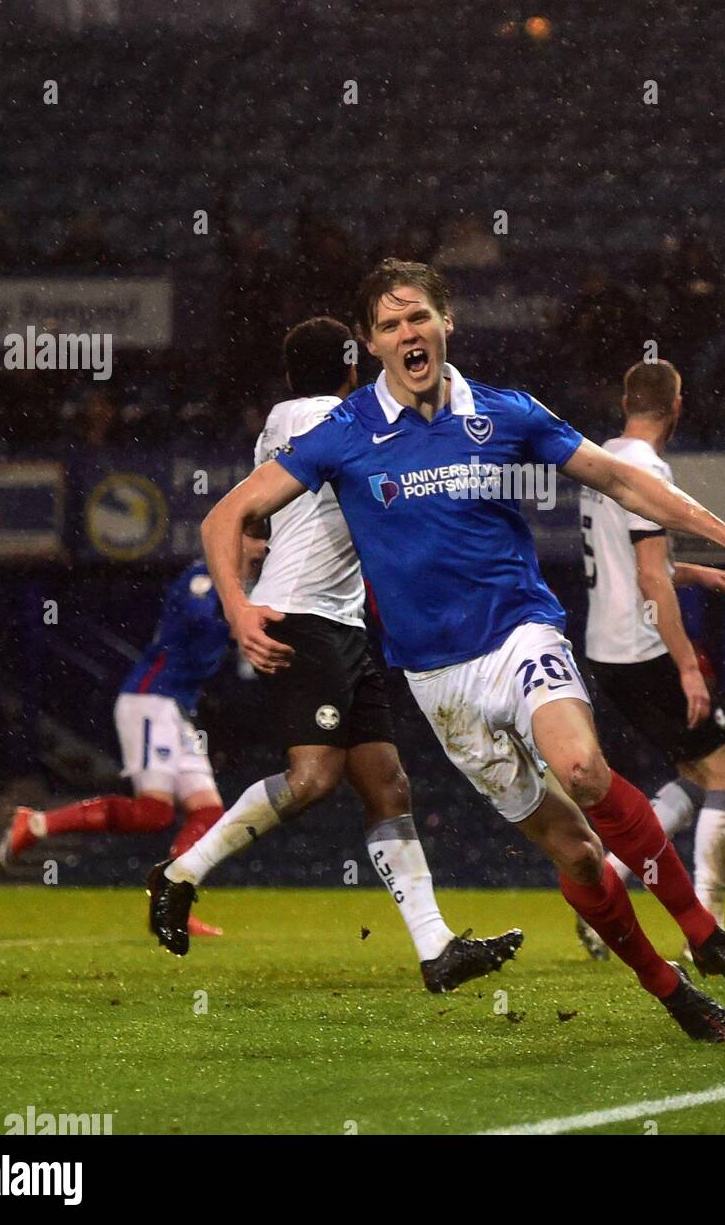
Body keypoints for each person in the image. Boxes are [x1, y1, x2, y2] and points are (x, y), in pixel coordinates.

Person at [198, 260, 725, 1045]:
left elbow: (618, 479)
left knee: (581, 769)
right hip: (438, 682)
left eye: (420, 318)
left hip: (520, 634)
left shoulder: (505, 413)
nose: (408, 334)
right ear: (371, 344)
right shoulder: (343, 434)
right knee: (576, 854)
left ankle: (706, 938)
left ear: (448, 322)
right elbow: (226, 516)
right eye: (390, 324)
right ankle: (671, 989)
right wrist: (238, 605)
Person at [149, 317, 522, 993]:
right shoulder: (346, 417)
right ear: (354, 366)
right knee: (314, 778)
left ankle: (436, 948)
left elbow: (263, 514)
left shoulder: (280, 421)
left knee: (387, 784)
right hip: (306, 615)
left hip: (338, 620)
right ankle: (179, 875)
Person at [574, 358, 725, 960]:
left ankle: (610, 877)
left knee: (695, 773)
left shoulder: (599, 456)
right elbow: (652, 579)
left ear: (625, 401)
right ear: (677, 407)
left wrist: (699, 573)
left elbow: (636, 567)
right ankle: (711, 935)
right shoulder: (646, 468)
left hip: (607, 650)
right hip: (643, 650)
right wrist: (686, 665)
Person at [0, 531, 269, 940]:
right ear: (235, 540)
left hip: (176, 710)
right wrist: (238, 614)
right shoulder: (204, 575)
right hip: (149, 700)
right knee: (154, 812)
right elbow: (199, 615)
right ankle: (37, 823)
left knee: (209, 815)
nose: (264, 547)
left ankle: (171, 902)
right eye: (255, 537)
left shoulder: (238, 587)